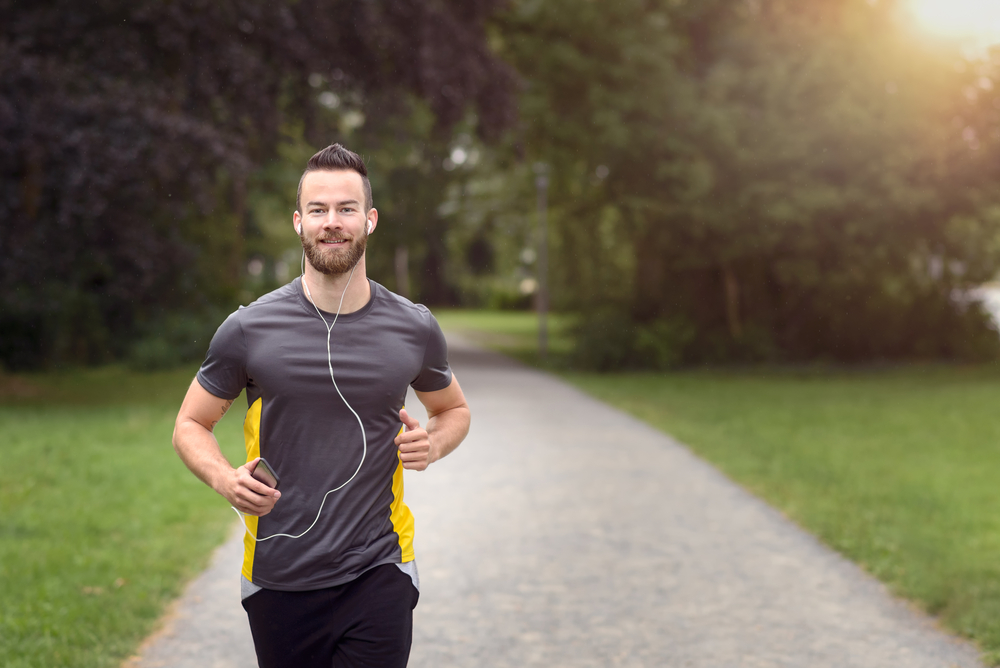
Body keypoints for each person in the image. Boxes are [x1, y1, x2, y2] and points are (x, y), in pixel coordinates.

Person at [172, 143, 471, 668]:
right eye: (318, 210)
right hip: (279, 577)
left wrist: (434, 442)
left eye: (346, 208)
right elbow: (190, 424)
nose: (332, 222)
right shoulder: (249, 329)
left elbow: (453, 411)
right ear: (299, 222)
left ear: (370, 220)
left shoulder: (414, 326)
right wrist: (225, 479)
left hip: (379, 568)